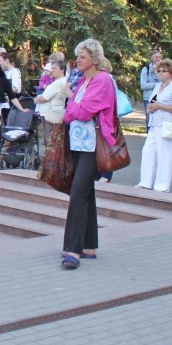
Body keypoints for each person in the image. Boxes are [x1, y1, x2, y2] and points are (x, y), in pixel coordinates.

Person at [60, 38, 118, 270]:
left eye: (82, 57)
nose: (77, 60)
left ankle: (73, 249)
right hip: (79, 144)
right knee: (86, 193)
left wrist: (70, 100)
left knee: (77, 193)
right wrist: (72, 106)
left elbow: (81, 111)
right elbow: (69, 114)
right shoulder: (84, 81)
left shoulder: (102, 80)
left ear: (94, 59)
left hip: (94, 146)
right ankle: (89, 245)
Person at [136, 59, 172, 191]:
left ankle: (162, 186)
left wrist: (160, 106)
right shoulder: (158, 86)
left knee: (164, 154)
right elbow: (152, 101)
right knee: (148, 151)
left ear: (171, 72)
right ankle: (145, 182)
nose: (161, 73)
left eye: (164, 71)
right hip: (154, 123)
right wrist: (151, 108)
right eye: (159, 71)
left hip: (167, 124)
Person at [35, 58, 69, 146]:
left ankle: (51, 159)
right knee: (55, 140)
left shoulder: (58, 83)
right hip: (55, 112)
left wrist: (36, 99)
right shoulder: (64, 80)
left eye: (55, 68)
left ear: (62, 70)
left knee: (50, 139)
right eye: (52, 68)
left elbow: (44, 98)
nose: (52, 70)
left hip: (50, 113)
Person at [139, 50, 164, 128]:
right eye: (156, 57)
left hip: (162, 98)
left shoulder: (164, 69)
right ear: (151, 58)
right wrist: (157, 84)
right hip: (149, 98)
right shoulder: (145, 69)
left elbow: (165, 82)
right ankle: (150, 137)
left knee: (161, 120)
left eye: (160, 57)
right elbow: (143, 85)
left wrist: (156, 72)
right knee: (150, 120)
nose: (158, 59)